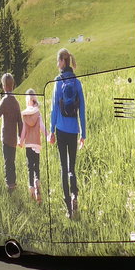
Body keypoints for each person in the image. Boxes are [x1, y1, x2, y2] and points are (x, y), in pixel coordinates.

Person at [48, 47, 86, 218]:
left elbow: (54, 109)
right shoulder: (77, 83)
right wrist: (83, 134)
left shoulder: (58, 81)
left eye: (58, 61)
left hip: (61, 130)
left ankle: (68, 208)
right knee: (72, 168)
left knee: (63, 167)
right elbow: (82, 110)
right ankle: (74, 196)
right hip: (73, 131)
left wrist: (51, 131)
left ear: (63, 62)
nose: (57, 64)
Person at [18, 88, 46, 202]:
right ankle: (37, 180)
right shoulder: (37, 113)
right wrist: (48, 135)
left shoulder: (25, 115)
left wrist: (21, 141)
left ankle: (31, 187)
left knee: (30, 166)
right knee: (36, 166)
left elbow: (24, 130)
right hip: (37, 144)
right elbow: (42, 127)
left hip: (28, 144)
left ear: (27, 100)